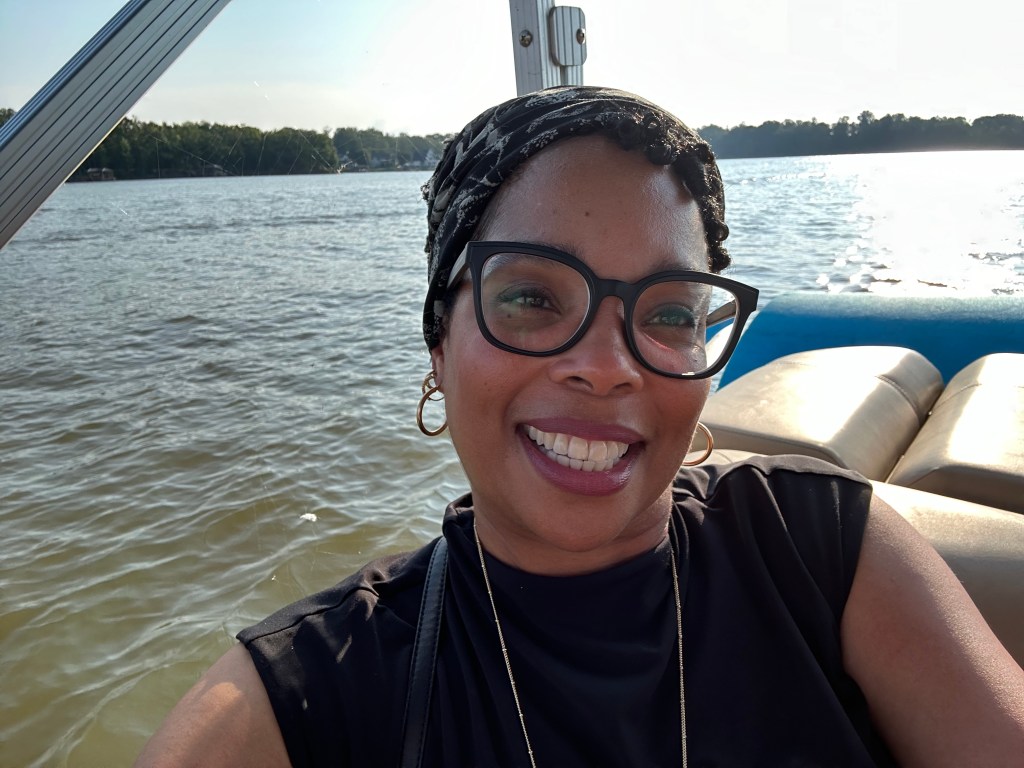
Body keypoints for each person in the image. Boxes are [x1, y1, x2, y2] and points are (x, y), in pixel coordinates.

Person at [134, 87, 1024, 767]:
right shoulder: (307, 696)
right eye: (530, 297)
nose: (606, 365)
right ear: (439, 344)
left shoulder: (828, 550)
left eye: (668, 313)